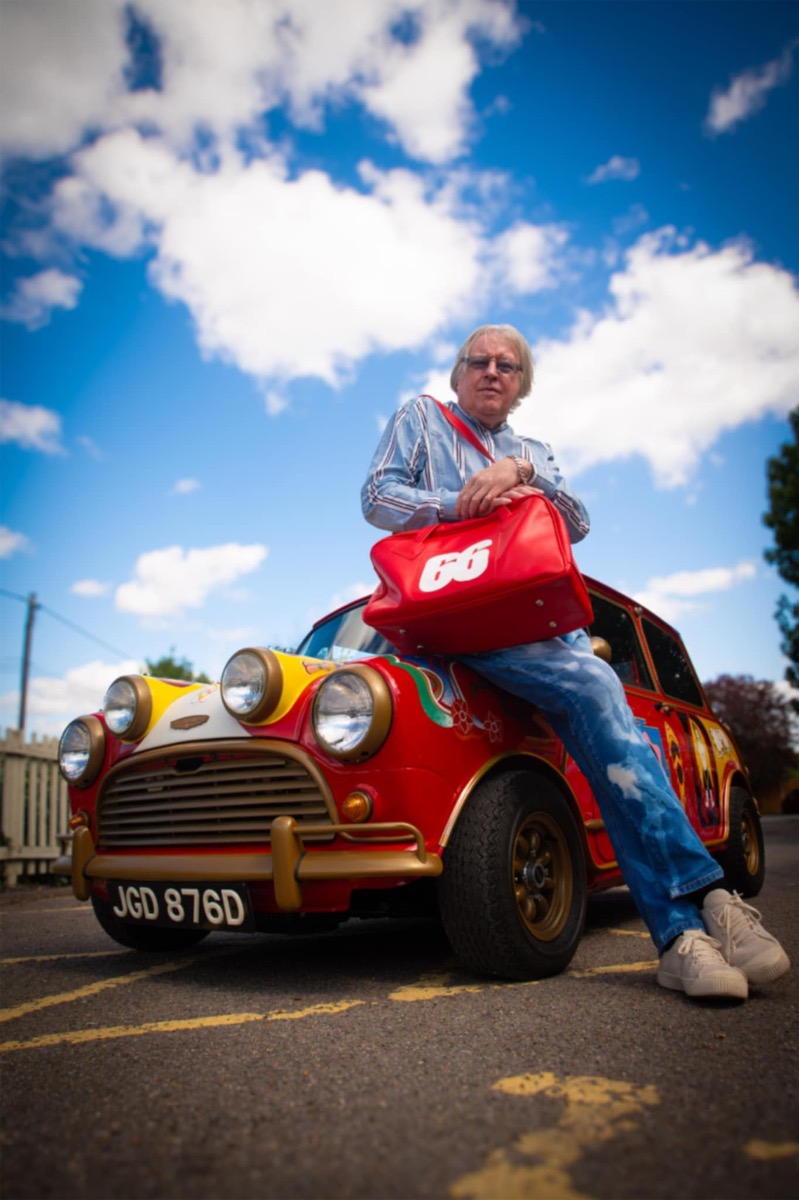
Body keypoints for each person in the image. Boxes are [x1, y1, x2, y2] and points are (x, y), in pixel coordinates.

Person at [361, 322, 790, 1001]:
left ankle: (681, 939)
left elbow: (576, 521)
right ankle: (709, 896)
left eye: (508, 365)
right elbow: (377, 498)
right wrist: (460, 501)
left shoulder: (534, 451)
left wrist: (519, 474)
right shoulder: (420, 417)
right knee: (595, 680)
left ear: (521, 384)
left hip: (536, 624)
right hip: (459, 618)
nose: (492, 371)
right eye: (478, 360)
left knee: (621, 739)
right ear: (457, 373)